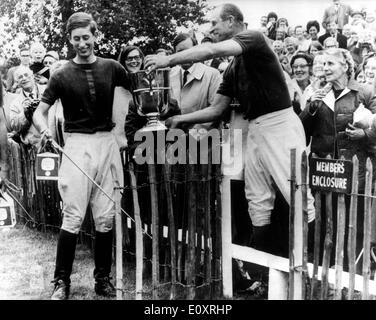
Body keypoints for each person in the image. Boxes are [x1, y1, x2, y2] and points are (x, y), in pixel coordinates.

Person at [144, 3, 316, 260]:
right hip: (255, 129)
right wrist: (181, 119)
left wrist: (168, 60)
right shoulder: (234, 67)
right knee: (258, 201)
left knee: (297, 192)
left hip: (280, 124)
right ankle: (264, 274)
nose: (211, 29)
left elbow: (211, 50)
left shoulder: (254, 38)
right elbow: (216, 110)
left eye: (214, 23)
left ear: (232, 21)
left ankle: (313, 267)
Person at [32, 12, 131, 300]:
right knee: (73, 216)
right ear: (70, 40)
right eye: (76, 39)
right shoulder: (60, 74)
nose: (82, 43)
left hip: (107, 144)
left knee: (105, 217)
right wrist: (44, 130)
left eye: (86, 37)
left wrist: (120, 133)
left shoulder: (113, 68)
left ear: (95, 35)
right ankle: (61, 283)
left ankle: (103, 280)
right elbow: (41, 112)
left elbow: (127, 99)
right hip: (77, 146)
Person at [300, 48, 376, 272]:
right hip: (325, 171)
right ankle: (328, 267)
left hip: (355, 170)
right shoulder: (317, 93)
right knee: (327, 220)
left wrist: (365, 134)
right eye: (323, 65)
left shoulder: (364, 92)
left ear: (345, 65)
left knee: (356, 221)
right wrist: (310, 107)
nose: (325, 69)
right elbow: (302, 130)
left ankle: (353, 268)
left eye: (331, 64)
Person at [9, 66, 45, 147]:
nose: (24, 78)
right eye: (20, 77)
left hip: (50, 139)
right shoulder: (15, 103)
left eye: (26, 75)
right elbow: (16, 127)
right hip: (31, 145)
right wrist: (25, 112)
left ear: (32, 76)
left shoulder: (47, 91)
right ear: (17, 82)